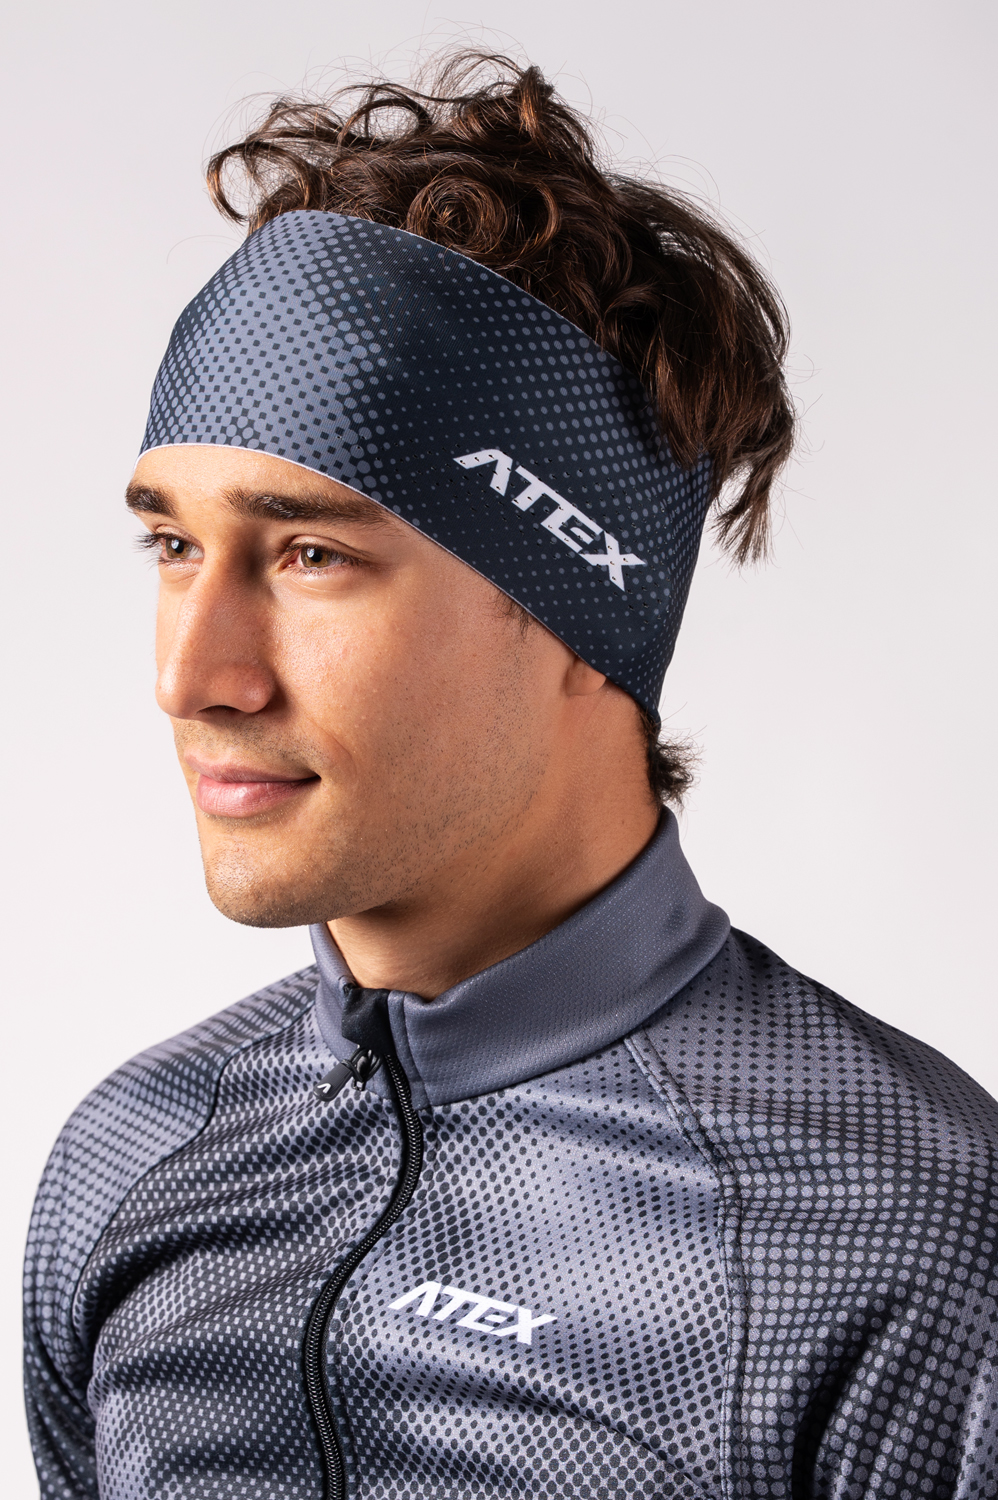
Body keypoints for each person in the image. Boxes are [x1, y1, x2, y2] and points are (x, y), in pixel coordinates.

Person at [23, 53, 997, 1500]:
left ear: (583, 607)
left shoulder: (901, 1240)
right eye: (173, 546)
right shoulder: (132, 1160)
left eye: (311, 555)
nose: (192, 674)